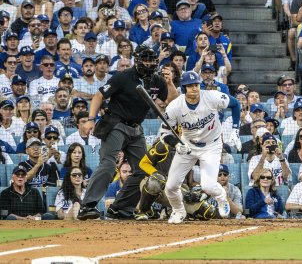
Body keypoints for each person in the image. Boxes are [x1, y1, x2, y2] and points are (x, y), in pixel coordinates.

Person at [77, 45, 178, 220]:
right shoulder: (123, 77)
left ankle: (120, 208)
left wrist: (169, 83)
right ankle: (87, 206)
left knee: (144, 169)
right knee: (108, 164)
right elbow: (99, 96)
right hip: (116, 123)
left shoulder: (157, 80)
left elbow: (173, 102)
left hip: (136, 127)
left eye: (151, 60)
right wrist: (91, 119)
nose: (148, 63)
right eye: (145, 59)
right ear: (137, 60)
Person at [160, 71, 241, 223]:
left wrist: (236, 129)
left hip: (212, 145)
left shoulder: (212, 96)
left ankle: (222, 198)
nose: (194, 89)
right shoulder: (174, 107)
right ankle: (178, 211)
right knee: (170, 186)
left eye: (196, 85)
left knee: (208, 186)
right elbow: (164, 133)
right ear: (183, 89)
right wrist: (176, 144)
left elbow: (236, 104)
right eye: (190, 86)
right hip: (188, 145)